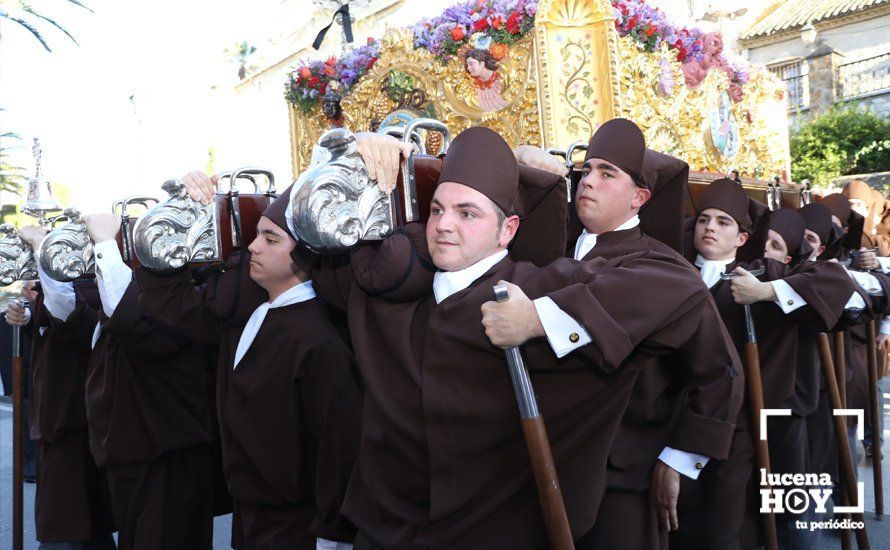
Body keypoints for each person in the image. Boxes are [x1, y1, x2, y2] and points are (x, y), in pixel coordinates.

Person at [513, 119, 742, 550]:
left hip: (621, 476)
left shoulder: (661, 266)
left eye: (607, 174)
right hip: (538, 465)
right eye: (587, 170)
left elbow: (720, 371)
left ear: (639, 198)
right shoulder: (552, 246)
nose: (588, 182)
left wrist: (677, 458)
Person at [133, 186, 362, 549]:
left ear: (307, 252)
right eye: (257, 235)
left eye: (271, 239)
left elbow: (338, 451)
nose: (253, 247)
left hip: (295, 529)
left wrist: (333, 536)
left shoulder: (318, 343)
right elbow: (172, 304)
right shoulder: (253, 317)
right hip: (252, 519)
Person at [673, 180, 855, 549]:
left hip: (737, 425)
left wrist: (768, 292)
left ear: (741, 238)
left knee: (725, 526)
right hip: (672, 420)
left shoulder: (756, 275)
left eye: (724, 222)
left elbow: (836, 282)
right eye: (705, 219)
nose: (710, 227)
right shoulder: (672, 271)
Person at [41, 213, 217, 550]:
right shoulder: (116, 315)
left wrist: (107, 243)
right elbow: (67, 313)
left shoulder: (170, 312)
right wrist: (45, 251)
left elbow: (130, 317)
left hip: (167, 460)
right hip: (131, 457)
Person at [9, 226, 117, 550]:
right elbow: (53, 314)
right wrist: (28, 317)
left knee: (67, 523)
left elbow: (65, 309)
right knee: (85, 524)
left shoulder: (91, 292)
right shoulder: (63, 292)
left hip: (73, 423)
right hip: (61, 420)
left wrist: (42, 245)